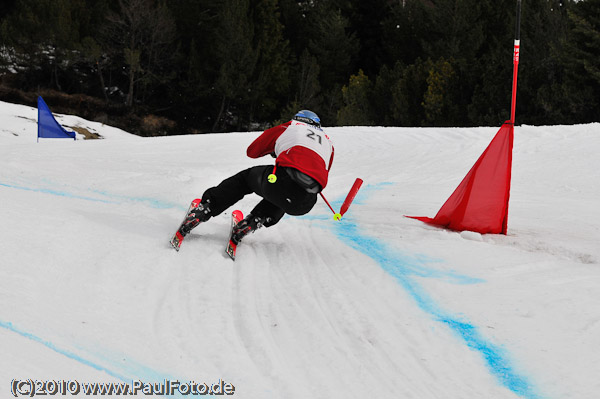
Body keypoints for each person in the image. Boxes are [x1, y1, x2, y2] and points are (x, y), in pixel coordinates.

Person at [179, 110, 334, 245]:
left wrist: (274, 148)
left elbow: (252, 151)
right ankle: (256, 220)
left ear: (296, 119)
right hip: (305, 202)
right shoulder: (328, 143)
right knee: (288, 192)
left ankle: (206, 208)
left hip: (281, 182)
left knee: (247, 179)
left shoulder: (290, 127)